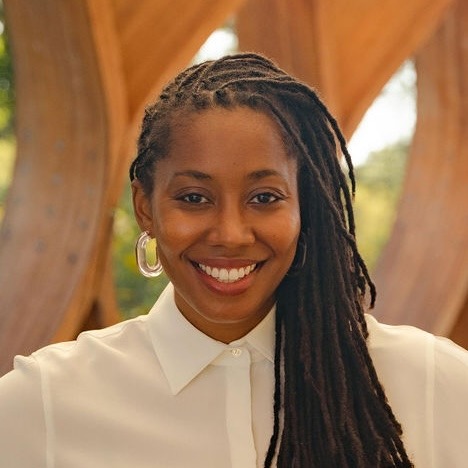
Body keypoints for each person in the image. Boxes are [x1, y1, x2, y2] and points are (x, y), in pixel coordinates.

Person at [0, 53, 467, 468]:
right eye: (194, 197)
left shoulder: (434, 384)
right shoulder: (44, 404)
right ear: (145, 208)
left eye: (264, 197)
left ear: (304, 206)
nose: (230, 234)